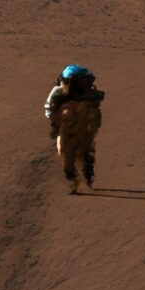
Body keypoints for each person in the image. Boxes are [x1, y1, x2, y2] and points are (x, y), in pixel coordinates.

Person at [44, 62, 104, 192]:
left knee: (69, 151)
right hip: (80, 126)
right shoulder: (90, 93)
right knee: (84, 149)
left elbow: (48, 110)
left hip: (74, 125)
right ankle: (85, 177)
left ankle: (77, 180)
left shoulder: (60, 91)